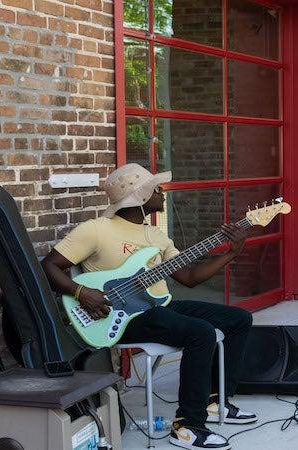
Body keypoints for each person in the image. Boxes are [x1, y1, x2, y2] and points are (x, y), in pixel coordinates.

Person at [42, 163, 255, 450]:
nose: (162, 192)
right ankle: (188, 427)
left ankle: (215, 401)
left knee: (239, 319)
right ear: (141, 197)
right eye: (156, 188)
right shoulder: (96, 230)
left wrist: (232, 253)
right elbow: (49, 266)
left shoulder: (156, 236)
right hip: (121, 317)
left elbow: (189, 277)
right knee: (201, 333)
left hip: (158, 306)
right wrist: (81, 292)